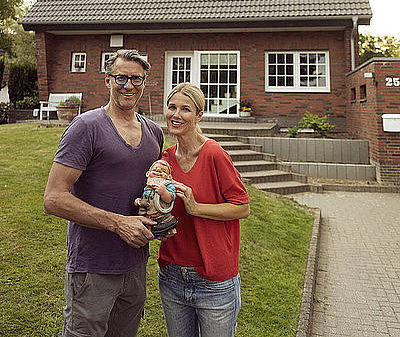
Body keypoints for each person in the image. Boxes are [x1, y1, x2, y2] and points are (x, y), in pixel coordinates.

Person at [43, 49, 165, 337]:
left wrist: (158, 216)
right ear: (107, 80)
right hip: (93, 267)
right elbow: (53, 199)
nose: (128, 85)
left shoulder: (154, 133)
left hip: (135, 264)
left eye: (137, 79)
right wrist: (119, 223)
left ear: (145, 83)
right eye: (121, 77)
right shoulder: (86, 127)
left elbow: (147, 191)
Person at [158, 83, 251, 337]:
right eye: (172, 107)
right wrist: (153, 211)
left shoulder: (214, 154)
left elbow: (242, 207)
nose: (176, 115)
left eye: (185, 109)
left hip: (214, 280)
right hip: (172, 275)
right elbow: (166, 209)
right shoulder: (165, 159)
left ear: (199, 115)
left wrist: (196, 208)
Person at [135, 159, 178, 237]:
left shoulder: (167, 185)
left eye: (163, 171)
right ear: (148, 173)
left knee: (165, 222)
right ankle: (150, 231)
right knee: (147, 223)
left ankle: (168, 230)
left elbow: (169, 199)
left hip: (161, 213)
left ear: (169, 176)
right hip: (148, 212)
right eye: (155, 169)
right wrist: (139, 201)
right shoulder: (148, 187)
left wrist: (164, 192)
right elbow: (146, 197)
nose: (158, 171)